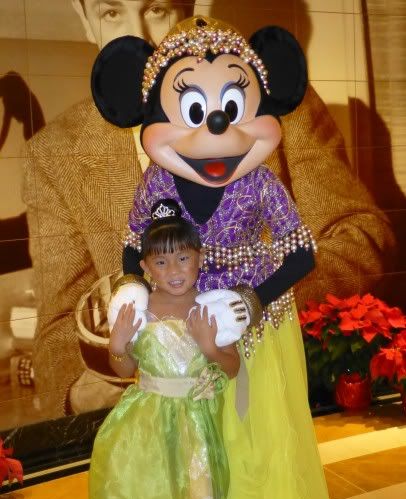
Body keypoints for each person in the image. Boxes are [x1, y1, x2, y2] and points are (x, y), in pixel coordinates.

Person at [23, 0, 395, 419]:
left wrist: (247, 306)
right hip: (156, 418)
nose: (140, 37)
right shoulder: (54, 155)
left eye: (156, 10)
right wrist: (88, 390)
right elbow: (56, 335)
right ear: (85, 19)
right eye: (112, 13)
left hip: (277, 400)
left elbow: (361, 238)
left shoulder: (271, 104)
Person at [92, 15, 340, 499]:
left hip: (253, 328)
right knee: (195, 449)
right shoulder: (157, 183)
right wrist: (134, 287)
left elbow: (302, 252)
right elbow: (134, 243)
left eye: (231, 105)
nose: (217, 125)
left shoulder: (260, 184)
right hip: (182, 328)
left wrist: (253, 299)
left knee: (252, 442)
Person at [68, 214, 239, 499]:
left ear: (199, 258)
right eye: (161, 262)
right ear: (145, 267)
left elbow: (232, 367)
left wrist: (209, 347)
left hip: (193, 425)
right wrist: (118, 344)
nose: (173, 270)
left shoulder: (212, 308)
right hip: (143, 422)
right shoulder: (138, 309)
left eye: (183, 258)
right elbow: (125, 368)